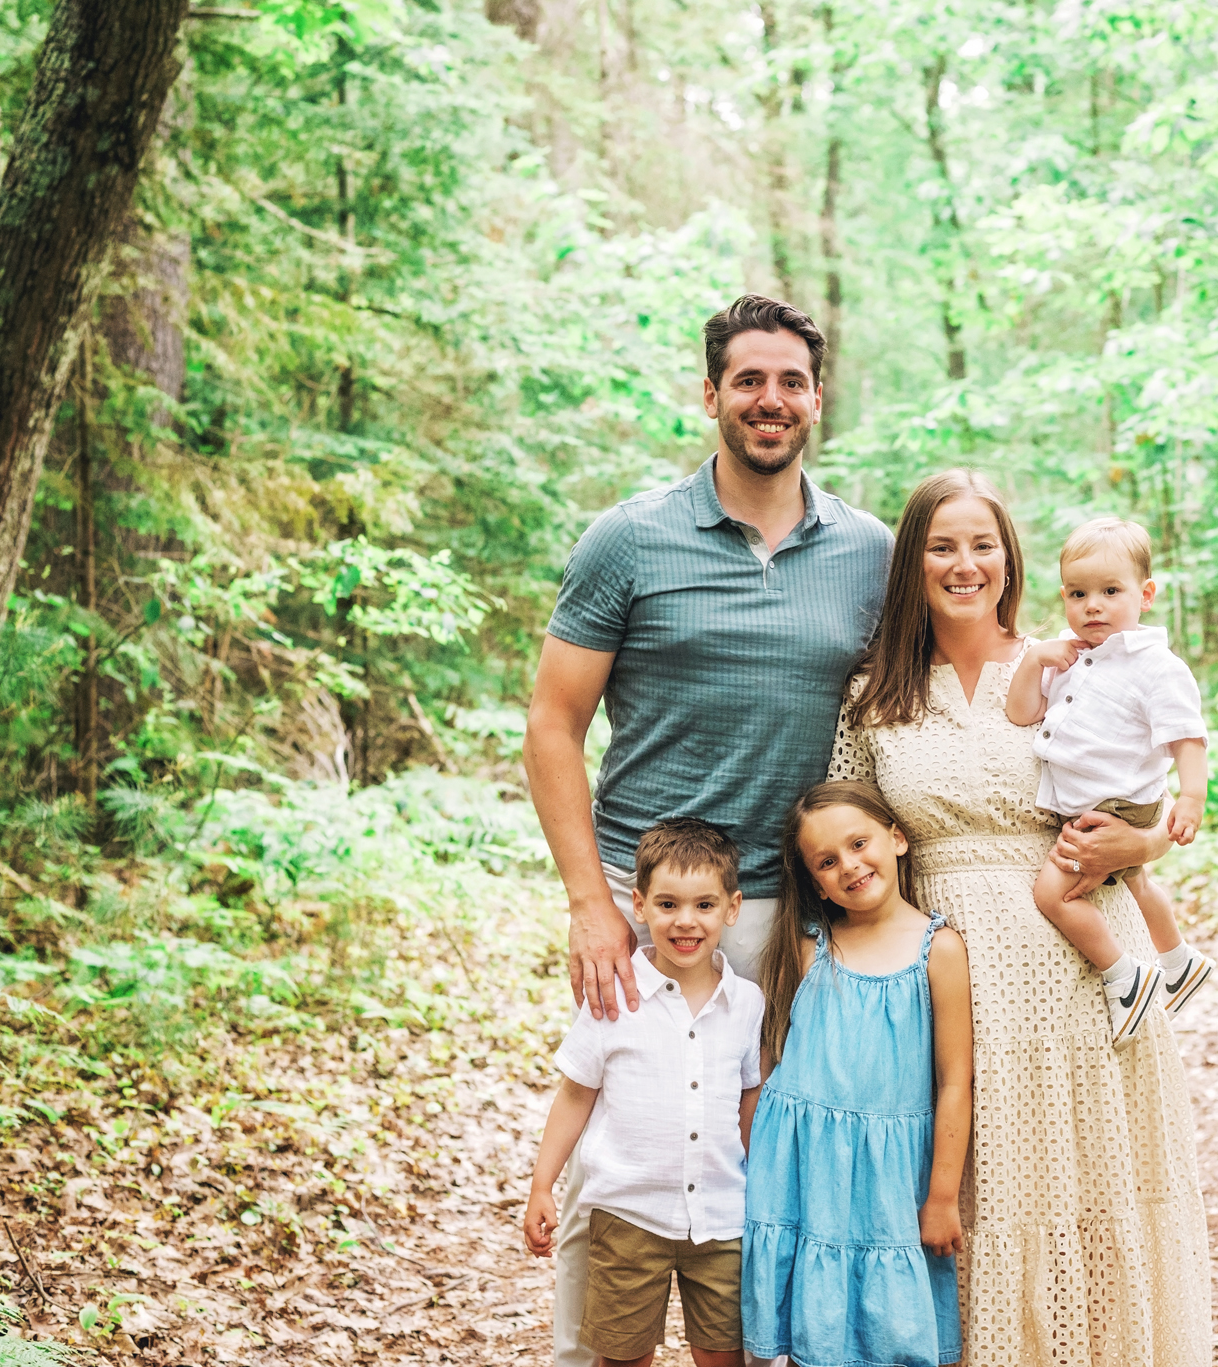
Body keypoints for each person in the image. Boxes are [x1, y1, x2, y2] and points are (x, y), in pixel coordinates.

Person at [522, 294, 893, 1367]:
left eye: (789, 382)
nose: (769, 401)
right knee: (625, 1154)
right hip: (656, 911)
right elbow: (552, 722)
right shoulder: (629, 538)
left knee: (773, 1153)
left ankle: (770, 1344)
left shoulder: (866, 551)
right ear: (711, 395)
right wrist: (595, 904)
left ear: (815, 399)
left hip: (802, 914)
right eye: (748, 380)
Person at [827, 469, 1211, 1367]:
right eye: (943, 545)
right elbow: (844, 833)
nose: (966, 564)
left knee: (1093, 1186)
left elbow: (1150, 789)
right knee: (979, 1194)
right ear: (911, 562)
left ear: (1010, 556)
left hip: (1082, 967)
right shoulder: (872, 693)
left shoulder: (1073, 661)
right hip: (946, 980)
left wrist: (1143, 849)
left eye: (984, 544)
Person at [742, 781, 972, 1367]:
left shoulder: (937, 949)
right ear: (814, 881)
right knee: (811, 1328)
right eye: (826, 861)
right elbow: (771, 1062)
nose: (849, 865)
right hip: (802, 1169)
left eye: (858, 842)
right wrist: (749, 1154)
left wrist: (942, 1194)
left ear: (896, 838)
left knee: (890, 1330)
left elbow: (954, 1080)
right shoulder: (808, 946)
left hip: (887, 1180)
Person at [523, 820, 765, 1367]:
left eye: (705, 905)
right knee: (623, 1358)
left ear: (732, 908)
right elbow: (574, 1095)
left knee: (723, 1355)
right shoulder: (615, 996)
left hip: (724, 1219)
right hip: (629, 1217)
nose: (685, 921)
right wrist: (543, 1185)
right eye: (668, 904)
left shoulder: (747, 1003)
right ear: (639, 904)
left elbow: (750, 1098)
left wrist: (762, 1186)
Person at [1003, 516, 1215, 1047]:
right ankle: (1178, 961)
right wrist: (1035, 662)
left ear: (1145, 595)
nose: (1092, 605)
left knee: (1054, 895)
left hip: (1116, 808)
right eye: (1078, 593)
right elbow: (1021, 713)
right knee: (1138, 880)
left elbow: (1187, 738)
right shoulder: (1069, 655)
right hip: (1100, 803)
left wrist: (1191, 798)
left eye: (1109, 591)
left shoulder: (1156, 667)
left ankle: (1125, 975)